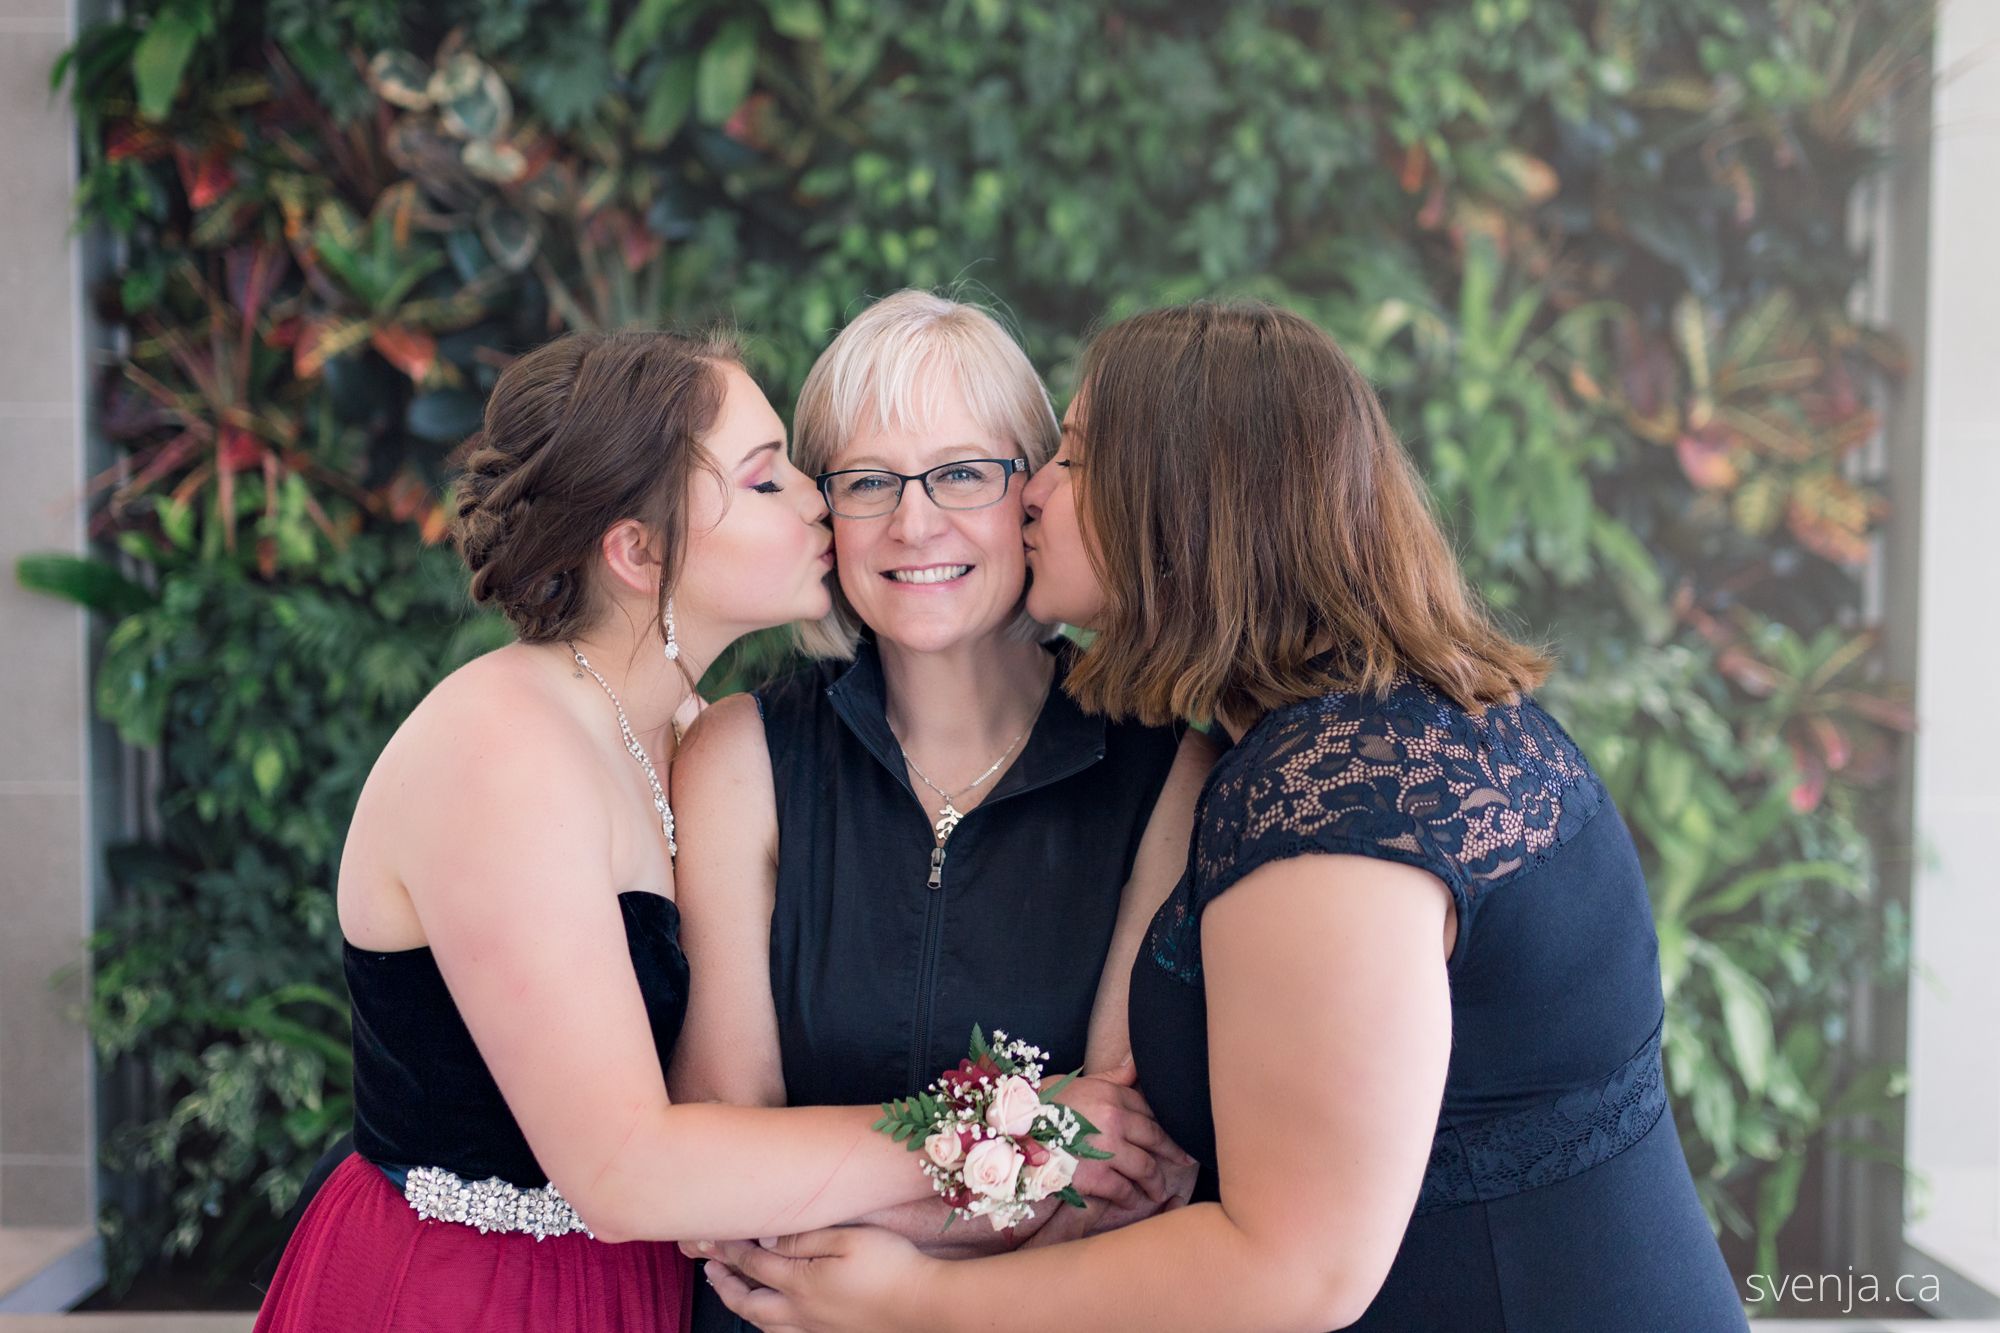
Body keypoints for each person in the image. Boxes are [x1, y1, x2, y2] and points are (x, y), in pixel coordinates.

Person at [695, 300, 1751, 1331]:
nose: (1032, 498)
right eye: (869, 479)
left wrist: (912, 1301)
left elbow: (1285, 1263)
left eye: (1061, 459)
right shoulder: (1342, 745)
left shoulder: (1333, 796)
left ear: (1180, 500)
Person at [254, 328, 1165, 1333]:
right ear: (640, 552)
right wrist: (1018, 1130)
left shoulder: (665, 729)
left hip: (631, 1289)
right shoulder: (504, 750)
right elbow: (629, 1167)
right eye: (772, 480)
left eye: (956, 474)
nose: (823, 502)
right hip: (471, 1296)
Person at [672, 291, 1212, 1331]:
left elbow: (1117, 1168)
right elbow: (711, 1153)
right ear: (826, 510)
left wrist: (896, 1281)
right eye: (868, 481)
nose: (913, 522)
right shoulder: (742, 752)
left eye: (961, 472)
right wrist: (1022, 1131)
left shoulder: (1164, 766)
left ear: (1036, 491)